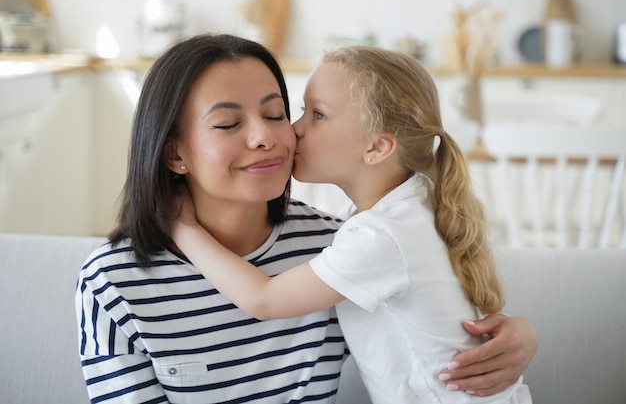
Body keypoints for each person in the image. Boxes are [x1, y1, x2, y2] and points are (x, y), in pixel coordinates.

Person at [76, 34, 537, 403]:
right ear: (174, 152)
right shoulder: (113, 281)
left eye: (278, 113)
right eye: (228, 123)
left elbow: (432, 310)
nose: (274, 135)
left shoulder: (334, 246)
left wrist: (520, 336)